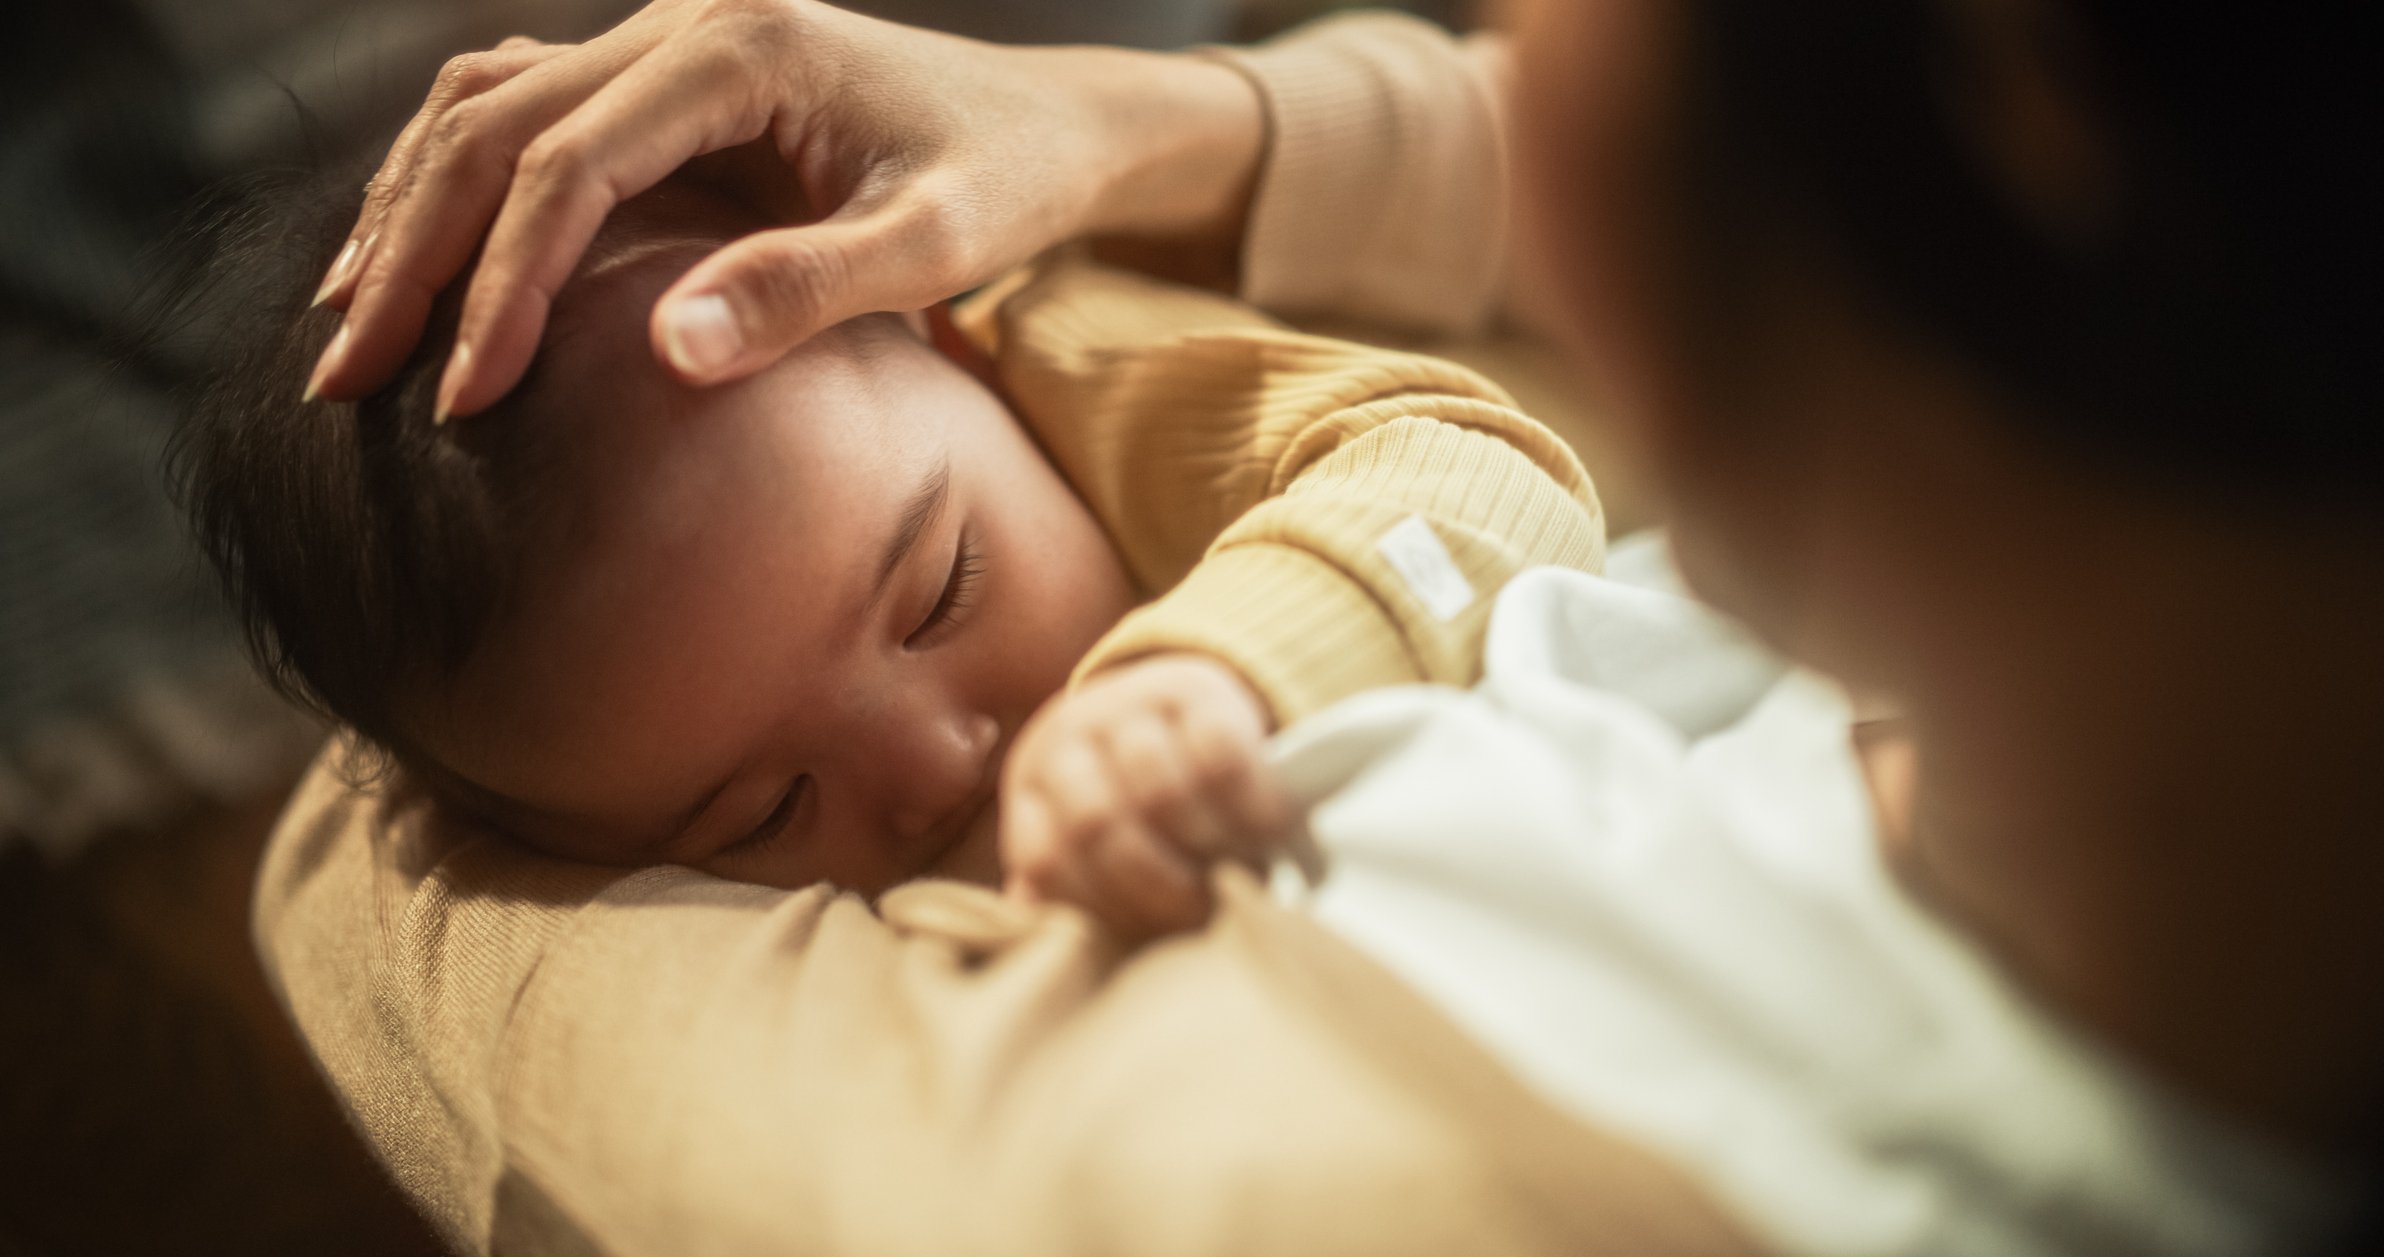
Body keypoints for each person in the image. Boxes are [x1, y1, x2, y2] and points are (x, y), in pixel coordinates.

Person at [258, 2, 2379, 1254]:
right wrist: (1133, 128)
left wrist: (1060, 325)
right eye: (756, 802)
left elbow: (354, 859)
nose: (951, 780)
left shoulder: (1143, 1139)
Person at [178, 161, 1601, 935]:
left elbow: (1488, 475)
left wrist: (1212, 675)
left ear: (936, 328)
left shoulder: (1058, 356)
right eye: (765, 813)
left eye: (939, 592)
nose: (938, 766)